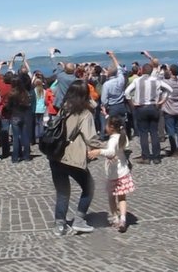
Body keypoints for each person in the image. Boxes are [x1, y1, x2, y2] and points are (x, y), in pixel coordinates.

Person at [49, 80, 102, 236]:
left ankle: (60, 225)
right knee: (89, 186)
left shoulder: (63, 109)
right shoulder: (84, 113)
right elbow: (91, 138)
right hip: (72, 157)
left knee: (62, 191)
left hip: (55, 154)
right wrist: (107, 146)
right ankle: (79, 220)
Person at [88, 115, 134, 233]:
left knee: (112, 197)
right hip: (123, 171)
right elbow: (121, 149)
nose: (105, 127)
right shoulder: (123, 137)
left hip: (114, 174)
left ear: (111, 127)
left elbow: (111, 152)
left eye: (107, 125)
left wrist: (98, 151)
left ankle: (115, 218)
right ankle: (123, 219)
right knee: (122, 197)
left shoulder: (113, 140)